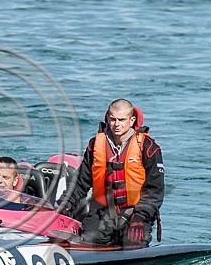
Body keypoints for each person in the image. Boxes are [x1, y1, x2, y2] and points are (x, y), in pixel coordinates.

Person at [59, 99, 164, 248]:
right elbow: (81, 182)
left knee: (134, 243)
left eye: (122, 120)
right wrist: (65, 204)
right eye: (113, 119)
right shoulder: (95, 144)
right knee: (86, 242)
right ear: (108, 118)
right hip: (102, 212)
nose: (116, 124)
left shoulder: (149, 148)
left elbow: (155, 191)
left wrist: (141, 217)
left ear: (131, 120)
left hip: (136, 214)